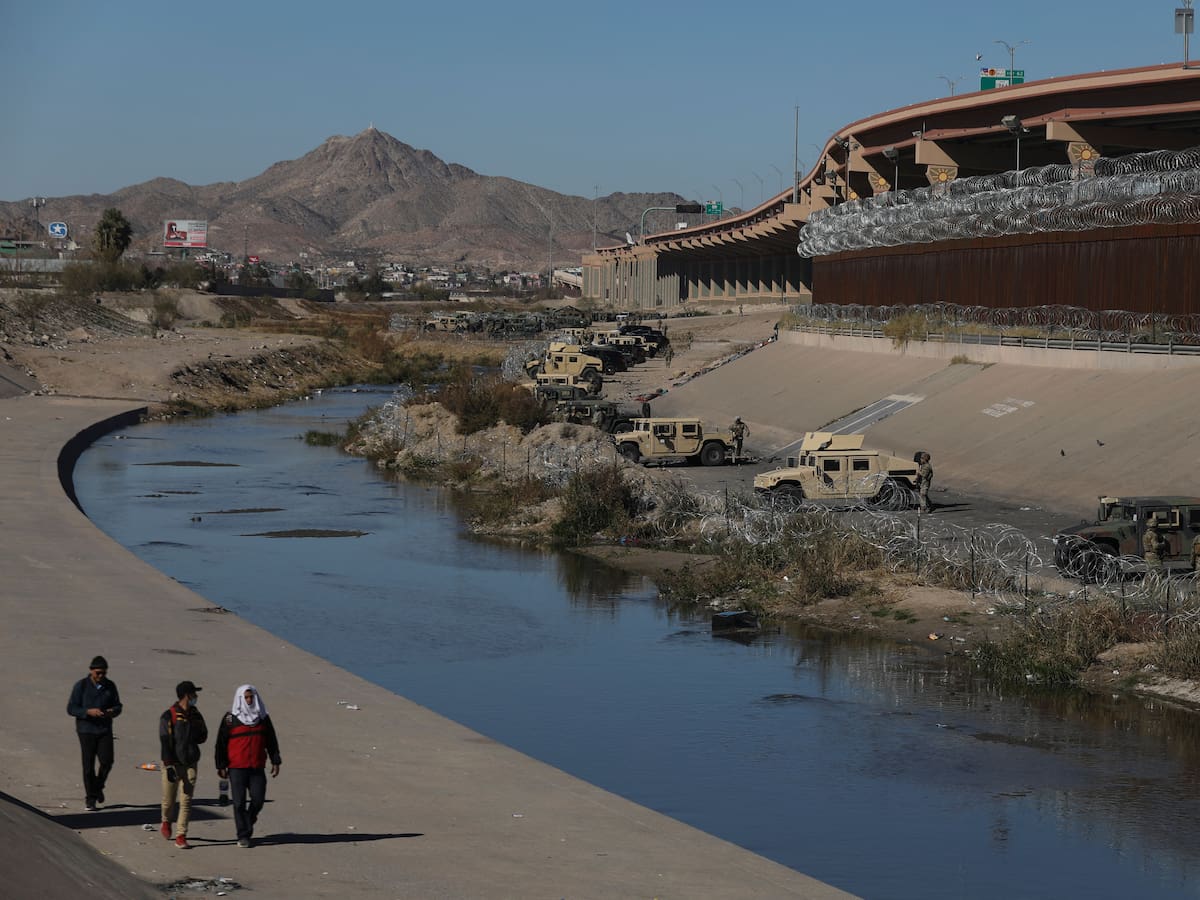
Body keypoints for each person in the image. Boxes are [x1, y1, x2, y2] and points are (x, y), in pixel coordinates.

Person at [216, 685, 281, 848]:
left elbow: (271, 740)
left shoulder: (263, 718)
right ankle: (243, 835)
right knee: (239, 803)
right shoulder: (230, 719)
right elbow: (221, 744)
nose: (249, 700)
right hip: (236, 768)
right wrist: (221, 765)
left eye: (251, 697)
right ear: (240, 699)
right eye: (246, 697)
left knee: (258, 800)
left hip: (257, 767)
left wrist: (275, 760)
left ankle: (249, 819)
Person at [67, 655, 123, 810]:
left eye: (103, 673)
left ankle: (98, 787)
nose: (101, 676)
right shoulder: (81, 686)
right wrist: (87, 712)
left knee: (107, 761)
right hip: (86, 730)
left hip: (104, 729)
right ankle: (90, 798)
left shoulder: (110, 686)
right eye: (98, 673)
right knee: (88, 766)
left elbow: (118, 706)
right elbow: (71, 708)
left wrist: (112, 711)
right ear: (91, 671)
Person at [160, 681, 208, 849]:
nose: (196, 697)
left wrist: (194, 727)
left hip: (190, 763)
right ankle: (166, 821)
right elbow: (165, 741)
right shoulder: (169, 715)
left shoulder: (196, 714)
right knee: (168, 800)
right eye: (194, 693)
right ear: (187, 695)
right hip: (173, 764)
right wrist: (168, 765)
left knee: (186, 800)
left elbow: (203, 736)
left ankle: (181, 835)